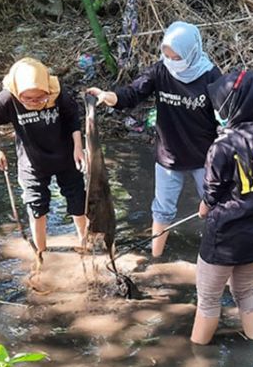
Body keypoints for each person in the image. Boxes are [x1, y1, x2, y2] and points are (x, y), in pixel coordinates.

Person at [88, 21, 220, 257]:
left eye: (176, 57)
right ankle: (156, 257)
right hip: (169, 155)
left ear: (191, 52)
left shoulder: (210, 76)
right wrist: (110, 97)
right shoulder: (161, 71)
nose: (171, 61)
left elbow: (225, 116)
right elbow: (133, 93)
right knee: (162, 210)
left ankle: (218, 256)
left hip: (204, 157)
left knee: (215, 207)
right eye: (166, 54)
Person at [191, 70, 253, 345]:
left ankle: (196, 356)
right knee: (245, 290)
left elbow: (211, 192)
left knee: (208, 299)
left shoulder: (223, 146)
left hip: (227, 235)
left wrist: (205, 207)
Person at [0, 58, 88, 257]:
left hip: (66, 156)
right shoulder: (8, 98)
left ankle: (85, 245)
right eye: (28, 99)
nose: (34, 103)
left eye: (40, 98)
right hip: (32, 162)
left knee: (77, 200)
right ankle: (40, 254)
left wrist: (78, 147)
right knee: (37, 207)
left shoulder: (57, 94)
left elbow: (72, 117)